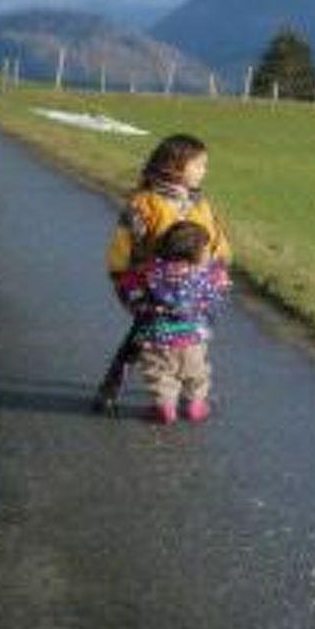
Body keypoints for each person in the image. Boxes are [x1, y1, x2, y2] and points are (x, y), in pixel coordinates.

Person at [91, 133, 231, 415]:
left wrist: (220, 267)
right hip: (150, 288)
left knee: (191, 339)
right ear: (175, 166)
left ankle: (187, 394)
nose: (205, 171)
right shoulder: (145, 204)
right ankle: (112, 389)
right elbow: (123, 244)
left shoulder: (200, 205)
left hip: (194, 287)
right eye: (199, 165)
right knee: (142, 337)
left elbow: (216, 240)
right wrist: (123, 278)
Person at [120, 220, 229, 424]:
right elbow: (219, 292)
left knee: (160, 374)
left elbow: (129, 286)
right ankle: (195, 404)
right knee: (196, 373)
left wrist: (138, 304)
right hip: (193, 335)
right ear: (198, 252)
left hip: (157, 335)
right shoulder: (204, 273)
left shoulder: (151, 270)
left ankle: (165, 406)